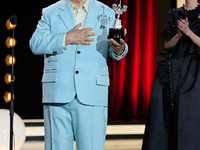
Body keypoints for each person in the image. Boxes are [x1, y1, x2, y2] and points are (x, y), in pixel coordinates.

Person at [29, 0, 128, 150]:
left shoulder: (107, 12)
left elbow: (113, 48)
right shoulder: (50, 12)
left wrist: (119, 48)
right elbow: (35, 43)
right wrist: (66, 38)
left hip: (92, 94)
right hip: (58, 93)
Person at [142, 0, 200, 150]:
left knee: (189, 115)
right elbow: (167, 45)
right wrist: (179, 35)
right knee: (163, 114)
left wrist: (189, 32)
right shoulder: (173, 13)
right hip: (173, 68)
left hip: (194, 69)